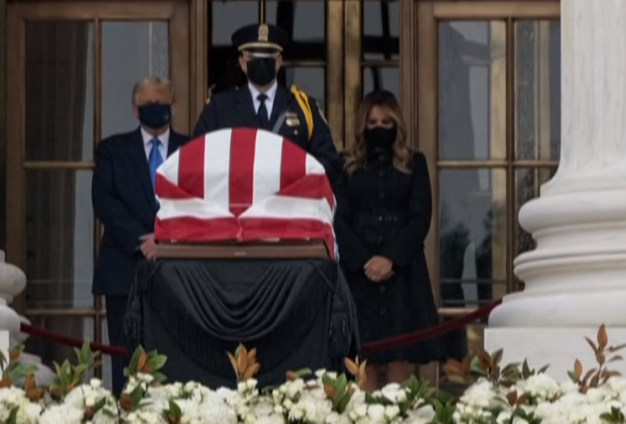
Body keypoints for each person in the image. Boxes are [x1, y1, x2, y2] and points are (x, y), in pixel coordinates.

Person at [334, 91, 445, 391]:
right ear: (362, 125)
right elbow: (338, 218)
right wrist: (365, 261)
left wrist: (391, 258)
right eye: (372, 122)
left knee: (399, 360)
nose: (379, 127)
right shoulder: (345, 164)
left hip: (403, 273)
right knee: (362, 360)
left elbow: (420, 216)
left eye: (386, 121)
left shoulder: (414, 162)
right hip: (359, 274)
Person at [91, 77, 190, 394]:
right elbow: (104, 201)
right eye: (148, 105)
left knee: (177, 361)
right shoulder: (112, 150)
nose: (156, 110)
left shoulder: (192, 150)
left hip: (180, 273)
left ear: (174, 107)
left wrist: (166, 239)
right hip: (124, 269)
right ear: (135, 110)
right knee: (126, 361)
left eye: (162, 103)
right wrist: (143, 240)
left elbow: (201, 201)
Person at [193, 23, 340, 181]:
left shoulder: (304, 107)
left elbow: (328, 161)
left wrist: (296, 174)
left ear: (278, 62)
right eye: (254, 57)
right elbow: (196, 158)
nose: (261, 62)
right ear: (243, 63)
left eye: (268, 58)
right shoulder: (219, 107)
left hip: (289, 201)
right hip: (238, 201)